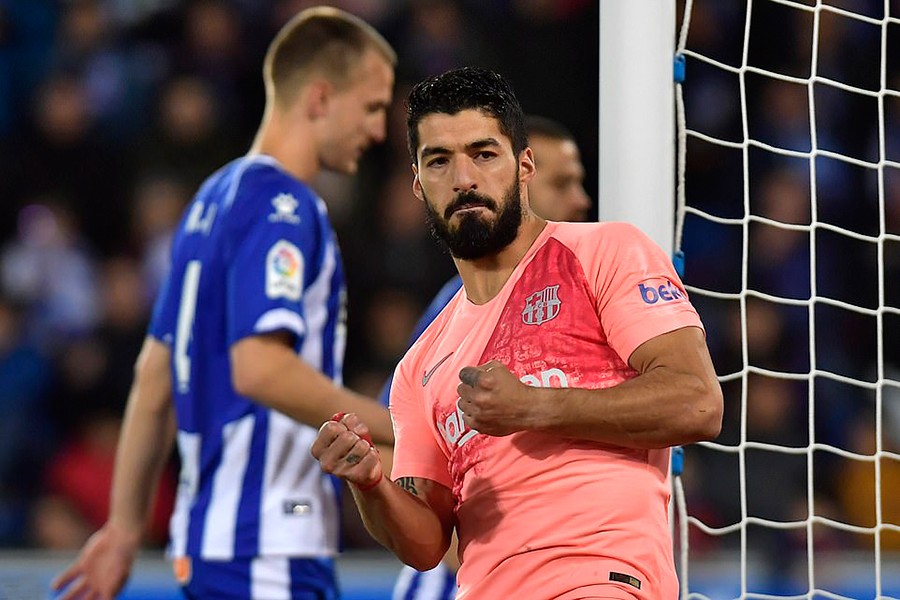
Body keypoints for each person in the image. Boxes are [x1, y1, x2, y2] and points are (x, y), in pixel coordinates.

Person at [311, 66, 723, 599]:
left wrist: (534, 406)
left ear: (523, 165)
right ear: (418, 185)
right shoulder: (420, 365)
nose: (463, 179)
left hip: (600, 581)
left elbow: (698, 403)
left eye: (483, 154)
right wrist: (369, 483)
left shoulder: (605, 254)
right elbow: (426, 544)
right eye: (439, 161)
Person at [52, 7, 396, 600]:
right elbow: (260, 368)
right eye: (371, 107)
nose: (380, 130)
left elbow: (154, 376)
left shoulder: (213, 199)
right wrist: (403, 428)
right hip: (268, 545)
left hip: (213, 543)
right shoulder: (286, 209)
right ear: (319, 98)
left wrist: (125, 528)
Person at [378, 113, 592, 600]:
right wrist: (471, 545)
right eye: (564, 183)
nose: (581, 200)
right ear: (521, 178)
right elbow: (398, 436)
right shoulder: (459, 306)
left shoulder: (587, 281)